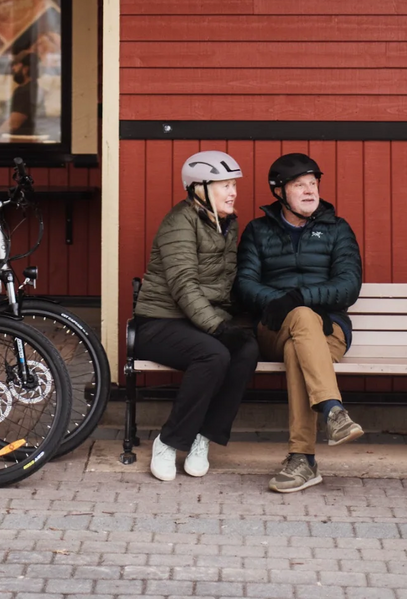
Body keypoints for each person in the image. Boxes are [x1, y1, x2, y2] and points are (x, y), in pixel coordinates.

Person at [235, 153, 364, 494]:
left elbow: (349, 286)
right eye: (298, 185)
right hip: (274, 327)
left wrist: (298, 297)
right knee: (300, 321)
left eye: (313, 184)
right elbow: (244, 285)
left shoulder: (338, 229)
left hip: (329, 330)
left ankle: (302, 460)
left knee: (299, 345)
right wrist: (281, 304)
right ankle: (333, 411)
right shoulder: (258, 231)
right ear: (279, 192)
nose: (309, 191)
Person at [134, 151, 260, 482]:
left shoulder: (226, 224)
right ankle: (169, 441)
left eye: (234, 185)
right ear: (200, 188)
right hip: (159, 323)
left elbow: (224, 282)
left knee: (246, 350)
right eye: (225, 185)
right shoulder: (180, 221)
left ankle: (202, 438)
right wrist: (219, 328)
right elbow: (184, 286)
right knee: (214, 354)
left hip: (199, 323)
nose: (233, 192)